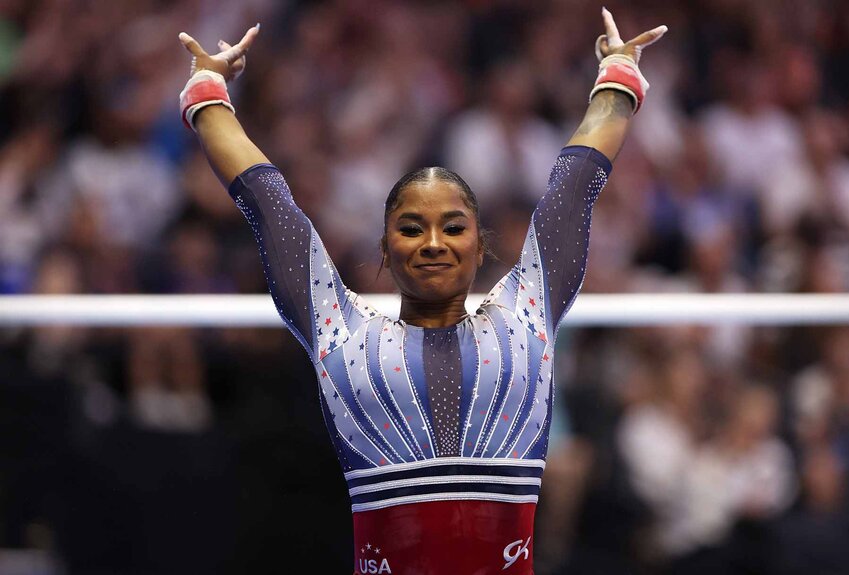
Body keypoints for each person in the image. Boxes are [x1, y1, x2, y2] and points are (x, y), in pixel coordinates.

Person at [178, 9, 666, 575]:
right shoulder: (343, 335)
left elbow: (575, 187)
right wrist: (207, 90)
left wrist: (619, 75)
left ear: (481, 248)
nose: (433, 242)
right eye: (411, 229)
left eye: (453, 227)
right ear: (384, 252)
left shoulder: (526, 317)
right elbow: (268, 204)